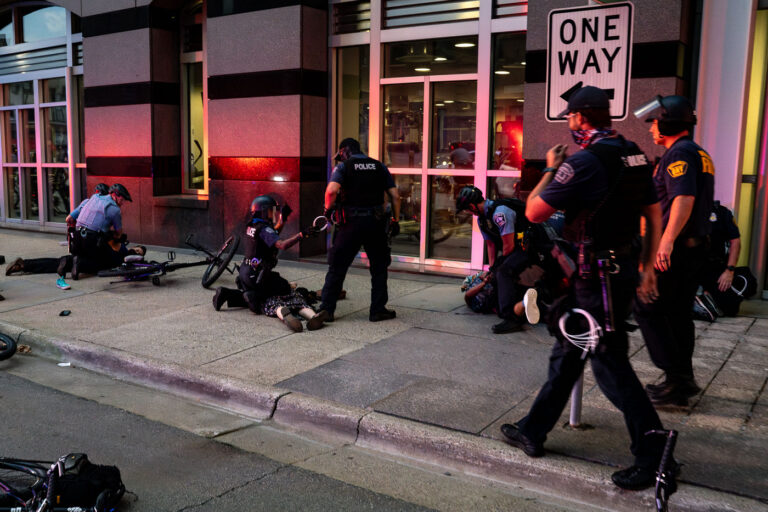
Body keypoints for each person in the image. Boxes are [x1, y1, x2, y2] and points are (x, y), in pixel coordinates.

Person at [500, 85, 669, 490]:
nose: (570, 123)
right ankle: (533, 429)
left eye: (570, 118)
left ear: (579, 118)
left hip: (599, 279)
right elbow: (652, 211)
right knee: (569, 348)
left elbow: (534, 211)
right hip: (617, 269)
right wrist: (647, 266)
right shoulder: (635, 154)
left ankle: (656, 453)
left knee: (610, 364)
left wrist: (549, 168)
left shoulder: (585, 162)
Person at [632, 95, 715, 406]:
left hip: (676, 250)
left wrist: (663, 243)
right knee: (678, 314)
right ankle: (680, 381)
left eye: (655, 122)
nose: (652, 127)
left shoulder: (679, 153)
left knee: (647, 305)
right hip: (693, 248)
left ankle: (676, 376)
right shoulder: (697, 152)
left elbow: (683, 199)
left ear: (668, 122)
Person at [212, 195, 328, 332]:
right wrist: (302, 235)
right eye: (271, 211)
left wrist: (282, 219)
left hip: (246, 273)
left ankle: (227, 294)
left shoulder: (253, 225)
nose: (274, 214)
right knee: (284, 289)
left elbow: (273, 233)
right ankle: (259, 301)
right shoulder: (263, 229)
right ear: (263, 211)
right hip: (258, 277)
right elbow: (282, 245)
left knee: (262, 291)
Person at [317, 138, 401, 322]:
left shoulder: (343, 167)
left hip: (350, 224)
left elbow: (331, 191)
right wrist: (395, 219)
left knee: (337, 267)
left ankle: (327, 310)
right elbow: (395, 196)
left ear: (344, 151)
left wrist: (327, 210)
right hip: (376, 223)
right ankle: (378, 310)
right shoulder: (379, 166)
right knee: (379, 268)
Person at [456, 186, 537, 333]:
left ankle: (511, 319)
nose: (468, 212)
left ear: (472, 206)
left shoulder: (500, 213)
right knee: (496, 275)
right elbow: (491, 245)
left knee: (503, 272)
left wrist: (496, 270)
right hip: (514, 250)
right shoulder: (482, 220)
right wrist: (490, 271)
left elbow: (508, 247)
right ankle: (527, 303)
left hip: (529, 249)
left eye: (467, 209)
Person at [65, 183, 133, 283]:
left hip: (76, 240)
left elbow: (69, 219)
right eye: (122, 200)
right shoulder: (115, 209)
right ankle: (78, 263)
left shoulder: (92, 198)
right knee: (107, 262)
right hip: (91, 241)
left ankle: (71, 260)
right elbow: (119, 233)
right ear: (114, 195)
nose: (122, 203)